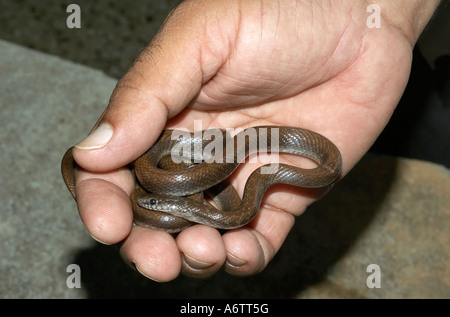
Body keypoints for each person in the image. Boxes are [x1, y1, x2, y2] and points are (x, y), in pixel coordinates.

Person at [69, 0, 441, 282]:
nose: (151, 198)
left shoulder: (205, 186)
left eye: (152, 198)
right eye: (151, 198)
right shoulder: (201, 187)